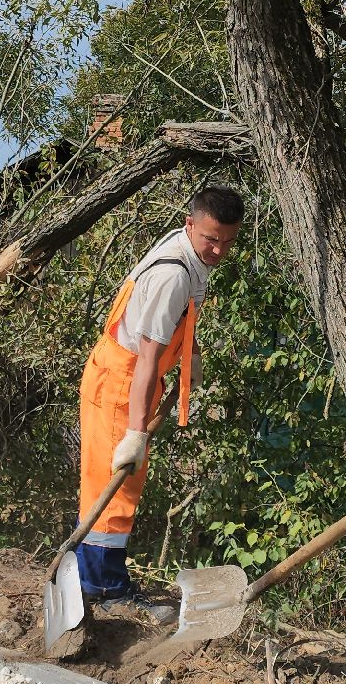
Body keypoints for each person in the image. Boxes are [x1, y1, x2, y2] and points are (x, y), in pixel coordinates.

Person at [74, 186, 245, 620]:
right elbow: (148, 359)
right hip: (123, 382)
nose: (219, 249)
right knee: (114, 485)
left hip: (128, 376)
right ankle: (102, 587)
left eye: (228, 240)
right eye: (211, 238)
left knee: (115, 484)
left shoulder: (190, 254)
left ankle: (98, 579)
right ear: (191, 225)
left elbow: (179, 322)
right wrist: (135, 431)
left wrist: (192, 353)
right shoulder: (173, 274)